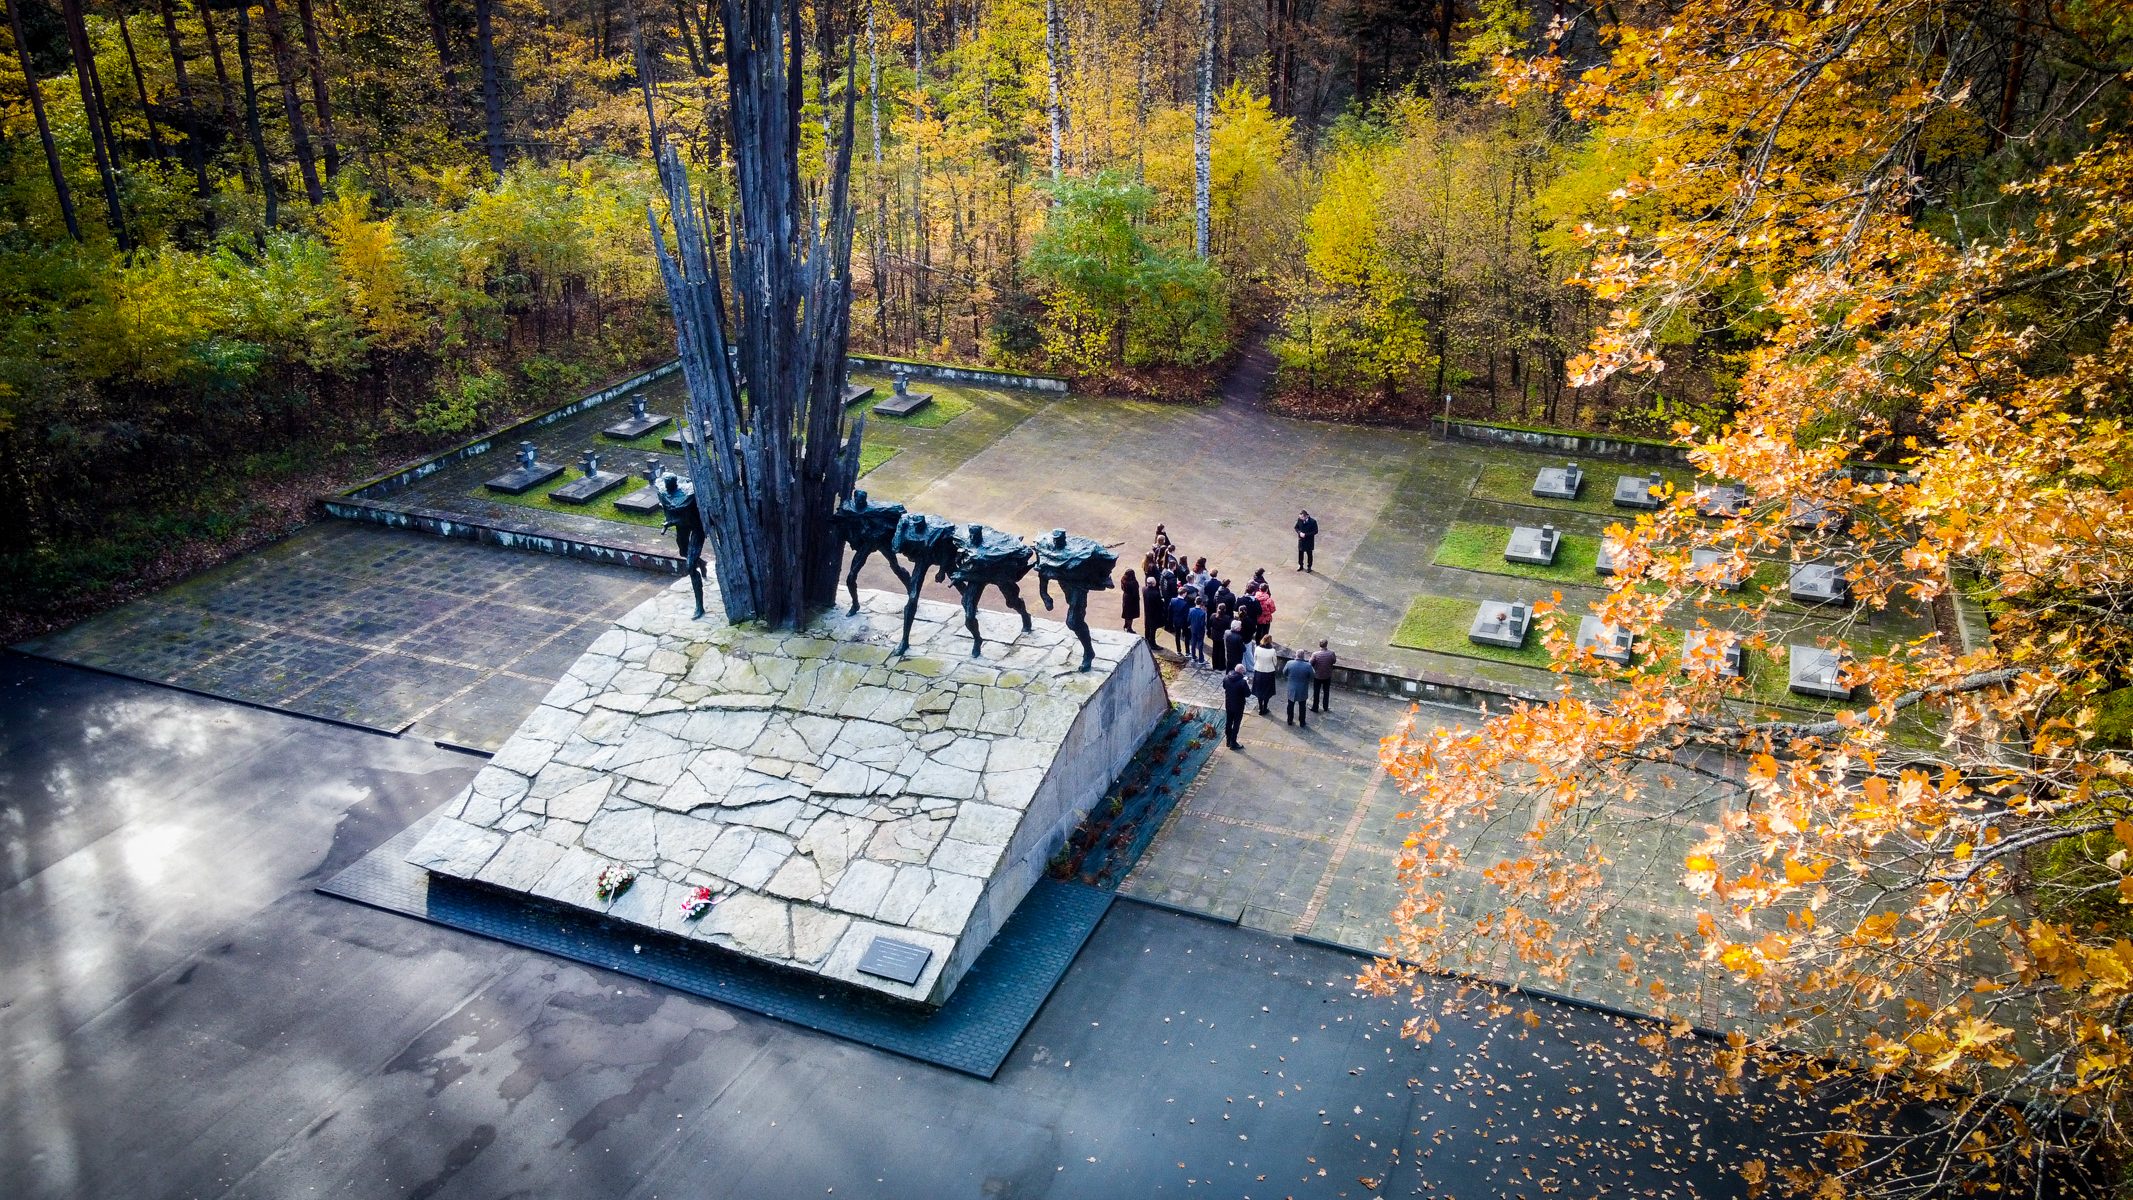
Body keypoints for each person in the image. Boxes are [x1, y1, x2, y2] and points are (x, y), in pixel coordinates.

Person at [1284, 647, 1316, 727]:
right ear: (1303, 656)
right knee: (1302, 706)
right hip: (1302, 688)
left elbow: (1284, 672)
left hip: (1292, 687)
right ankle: (1302, 721)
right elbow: (1312, 676)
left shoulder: (1289, 663)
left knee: (1290, 704)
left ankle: (1289, 720)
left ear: (1296, 655)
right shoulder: (1308, 665)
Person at [1221, 665, 1250, 749]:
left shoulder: (1226, 678)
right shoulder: (1242, 682)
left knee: (1229, 722)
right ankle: (1233, 743)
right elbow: (1247, 694)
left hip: (1229, 704)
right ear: (1241, 671)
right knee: (1236, 724)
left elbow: (1224, 686)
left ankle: (1228, 740)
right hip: (1238, 706)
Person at [1252, 636, 1279, 716]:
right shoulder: (1272, 651)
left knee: (1259, 689)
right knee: (1267, 690)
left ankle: (1260, 707)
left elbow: (1255, 659)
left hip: (1259, 670)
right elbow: (1275, 662)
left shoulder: (1257, 648)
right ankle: (1265, 707)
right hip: (1268, 672)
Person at [1310, 639, 1338, 713]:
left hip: (1317, 676)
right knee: (1326, 691)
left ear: (1319, 644)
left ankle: (1315, 707)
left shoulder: (1315, 654)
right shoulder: (1331, 653)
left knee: (1316, 692)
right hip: (1327, 675)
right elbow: (1334, 661)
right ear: (1326, 644)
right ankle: (1325, 706)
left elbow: (1311, 663)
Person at [1141, 573, 1164, 646]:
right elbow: (1159, 604)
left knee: (1147, 627)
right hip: (1154, 613)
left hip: (1147, 611)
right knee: (1153, 629)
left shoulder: (1144, 589)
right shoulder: (1155, 593)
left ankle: (1147, 640)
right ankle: (1153, 644)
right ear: (1153, 584)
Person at [1168, 588, 1192, 656]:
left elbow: (1170, 611)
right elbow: (1186, 615)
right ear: (1184, 594)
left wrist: (1171, 621)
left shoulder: (1173, 600)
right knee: (1186, 636)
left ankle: (1178, 650)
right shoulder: (1185, 603)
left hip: (1176, 621)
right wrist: (1189, 623)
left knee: (1177, 636)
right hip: (1184, 622)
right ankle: (1187, 651)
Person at [1186, 596, 1209, 665]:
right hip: (1200, 630)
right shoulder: (1202, 613)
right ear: (1201, 603)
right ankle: (1201, 659)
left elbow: (1188, 619)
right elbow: (1203, 623)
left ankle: (1193, 657)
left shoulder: (1191, 610)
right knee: (1200, 644)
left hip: (1193, 628)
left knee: (1193, 643)